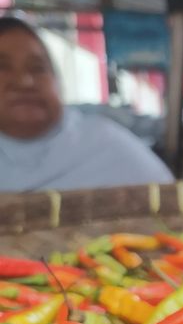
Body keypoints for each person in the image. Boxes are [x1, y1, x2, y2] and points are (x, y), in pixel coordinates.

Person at [0, 16, 173, 192]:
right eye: (3, 67)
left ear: (57, 81)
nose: (24, 81)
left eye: (37, 68)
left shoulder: (106, 146)